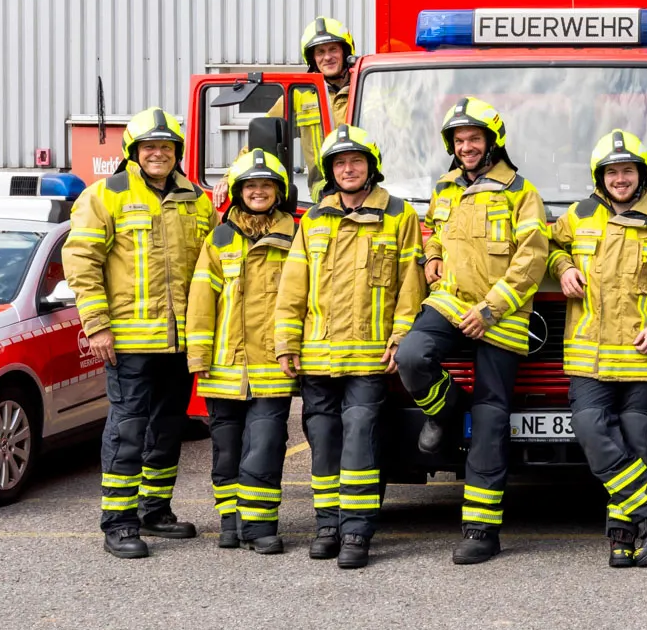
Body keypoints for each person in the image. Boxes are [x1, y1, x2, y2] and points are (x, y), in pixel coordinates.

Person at [393, 98, 549, 565]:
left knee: (490, 418)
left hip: (500, 314)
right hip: (450, 301)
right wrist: (433, 256)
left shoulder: (522, 192)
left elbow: (532, 258)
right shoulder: (445, 188)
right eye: (459, 141)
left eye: (474, 139)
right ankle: (445, 410)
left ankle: (481, 531)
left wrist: (492, 308)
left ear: (492, 141)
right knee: (412, 357)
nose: (466, 147)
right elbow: (434, 231)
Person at [547, 130, 647, 567]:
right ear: (600, 177)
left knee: (635, 445)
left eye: (628, 170)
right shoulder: (578, 216)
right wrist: (562, 267)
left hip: (643, 356)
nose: (621, 179)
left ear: (642, 174)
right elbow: (549, 246)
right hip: (588, 356)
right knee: (593, 432)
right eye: (612, 171)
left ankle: (623, 537)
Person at [65, 108, 218, 560]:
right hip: (128, 341)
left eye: (166, 147)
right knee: (127, 429)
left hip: (181, 341)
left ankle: (155, 510)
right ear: (134, 152)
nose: (158, 154)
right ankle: (119, 521)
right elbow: (82, 264)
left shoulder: (197, 199)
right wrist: (96, 326)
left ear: (178, 153)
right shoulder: (105, 196)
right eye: (150, 147)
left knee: (168, 427)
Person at [272, 127, 426, 569]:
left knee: (360, 436)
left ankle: (357, 531)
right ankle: (327, 525)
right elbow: (293, 288)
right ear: (330, 171)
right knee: (322, 438)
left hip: (369, 357)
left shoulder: (398, 216)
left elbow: (409, 287)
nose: (348, 169)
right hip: (318, 355)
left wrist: (399, 337)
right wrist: (286, 342)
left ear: (370, 166)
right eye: (339, 163)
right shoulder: (315, 219)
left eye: (355, 161)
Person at [185, 148, 301, 555]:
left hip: (272, 365)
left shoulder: (295, 237)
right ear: (237, 191)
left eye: (266, 185)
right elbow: (202, 299)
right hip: (224, 366)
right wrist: (198, 358)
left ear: (279, 191)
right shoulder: (218, 238)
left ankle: (260, 524)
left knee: (266, 444)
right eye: (251, 186)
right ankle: (230, 521)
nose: (258, 192)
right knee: (227, 448)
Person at [287, 16, 357, 196]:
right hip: (324, 193)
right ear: (312, 58)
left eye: (333, 49)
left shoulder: (368, 87)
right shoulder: (298, 94)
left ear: (345, 52)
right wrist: (228, 177)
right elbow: (262, 137)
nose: (327, 57)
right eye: (320, 52)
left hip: (367, 187)